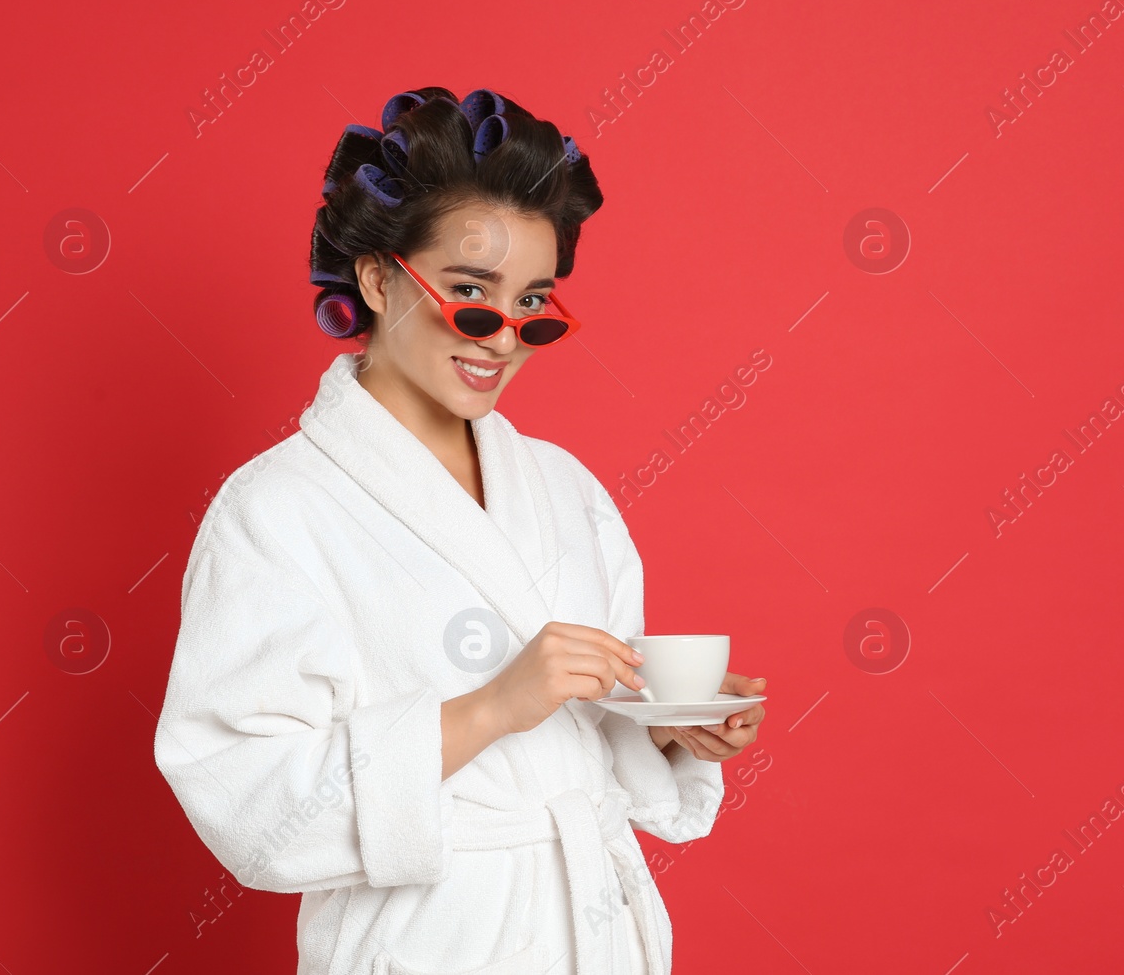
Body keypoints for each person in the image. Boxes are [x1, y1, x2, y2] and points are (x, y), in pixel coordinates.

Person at [152, 86, 767, 975]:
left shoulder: (565, 488)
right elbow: (244, 799)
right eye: (471, 295)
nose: (501, 338)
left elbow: (590, 731)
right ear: (376, 276)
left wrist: (669, 728)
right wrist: (490, 708)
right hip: (431, 944)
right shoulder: (276, 511)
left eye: (534, 305)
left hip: (594, 934)